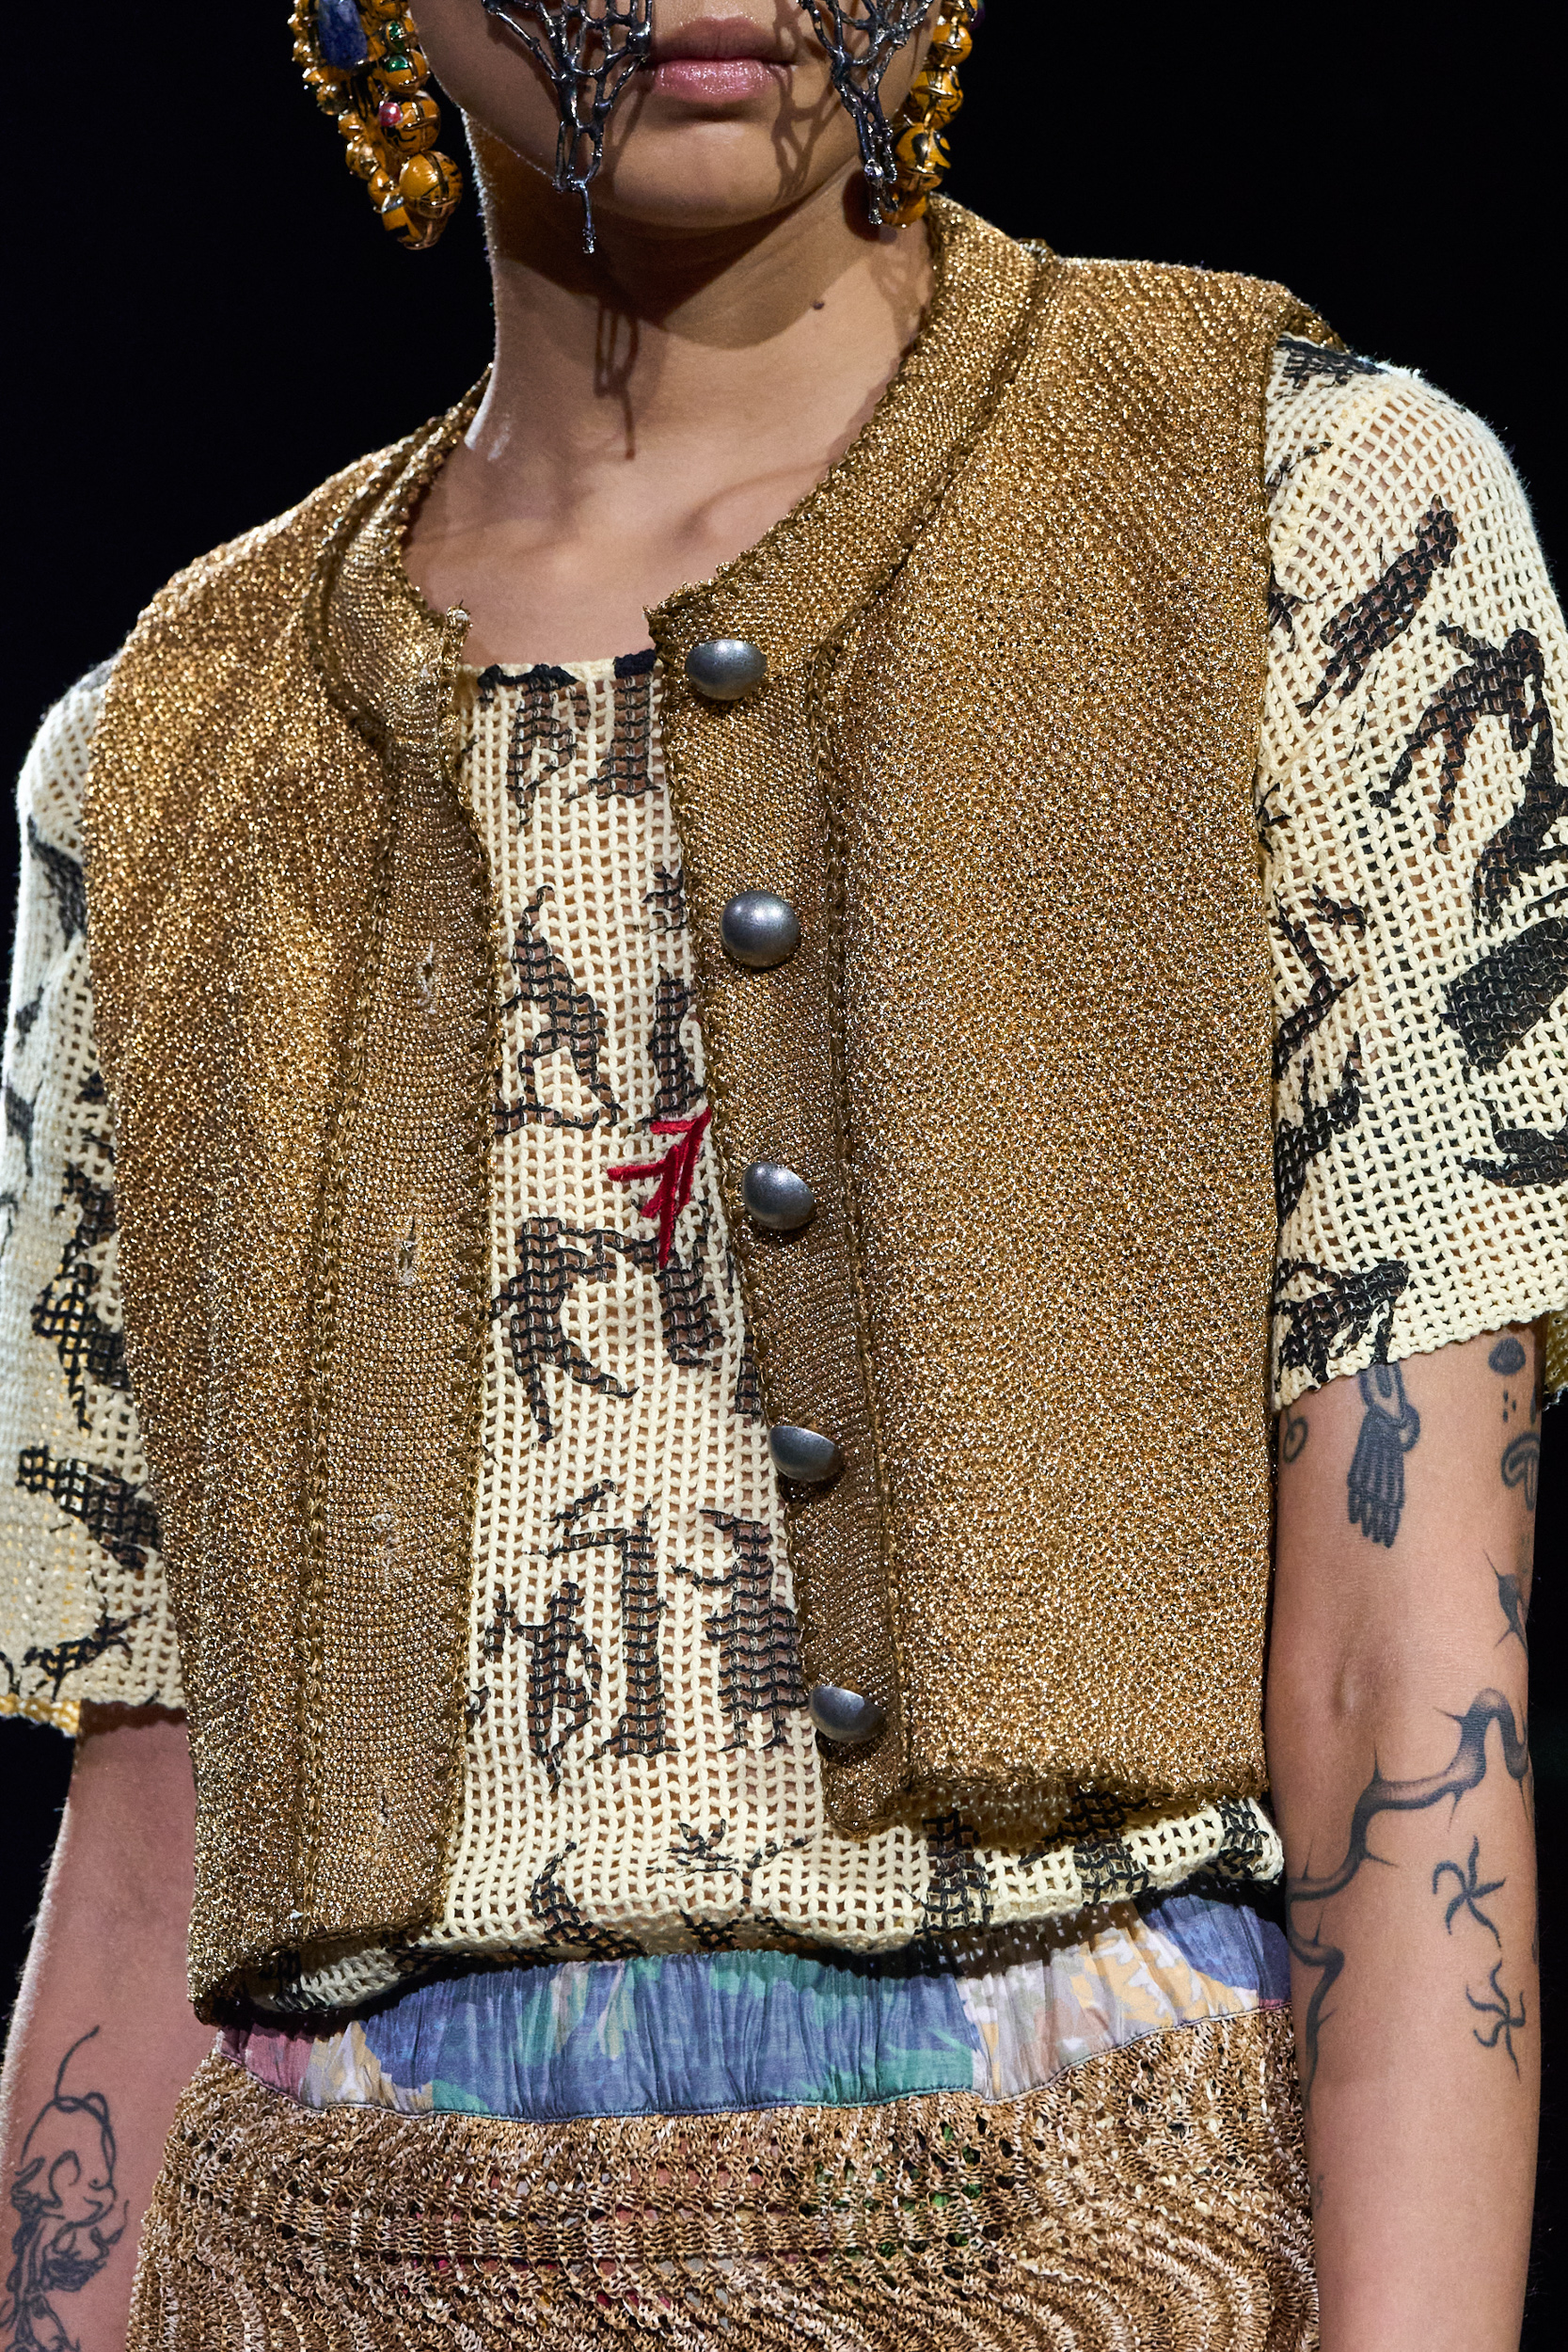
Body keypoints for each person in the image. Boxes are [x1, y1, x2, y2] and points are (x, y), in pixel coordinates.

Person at [1, 4, 1563, 2345]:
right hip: (319, 2249)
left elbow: (1404, 1664)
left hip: (1099, 2233)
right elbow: (156, 1816)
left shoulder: (1286, 512)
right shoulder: (169, 744)